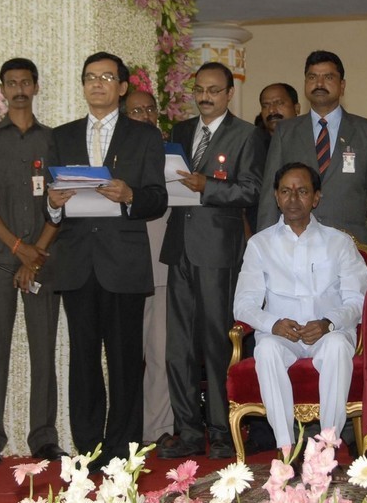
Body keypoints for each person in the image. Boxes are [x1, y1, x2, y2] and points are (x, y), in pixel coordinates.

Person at [45, 52, 167, 466]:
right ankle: (88, 449)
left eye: (107, 77)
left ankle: (123, 449)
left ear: (122, 87)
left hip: (123, 263)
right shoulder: (60, 136)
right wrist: (54, 204)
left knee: (125, 361)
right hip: (77, 263)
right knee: (83, 361)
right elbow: (49, 205)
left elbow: (157, 198)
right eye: (90, 77)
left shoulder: (145, 136)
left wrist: (131, 195)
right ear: (83, 86)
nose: (97, 83)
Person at [159, 62, 265, 459]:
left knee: (216, 344)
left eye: (213, 90)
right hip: (179, 247)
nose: (205, 97)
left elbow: (251, 190)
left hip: (219, 251)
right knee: (179, 345)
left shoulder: (247, 135)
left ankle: (222, 430)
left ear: (228, 93)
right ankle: (187, 431)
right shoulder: (181, 131)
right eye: (200, 89)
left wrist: (208, 187)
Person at [233, 161, 367, 456]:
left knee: (335, 347)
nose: (293, 199)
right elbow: (243, 304)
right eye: (286, 191)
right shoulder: (260, 244)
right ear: (276, 197)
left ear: (316, 198)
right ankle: (287, 449)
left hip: (328, 333)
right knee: (265, 348)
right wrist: (273, 324)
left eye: (302, 191)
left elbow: (357, 300)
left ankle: (327, 447)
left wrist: (328, 322)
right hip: (283, 335)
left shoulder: (340, 243)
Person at [0, 58, 65, 464]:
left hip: (43, 258)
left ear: (37, 86)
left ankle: (43, 438)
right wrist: (16, 248)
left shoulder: (55, 141)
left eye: (26, 81)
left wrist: (35, 253)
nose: (19, 89)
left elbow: (64, 201)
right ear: (2, 89)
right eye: (11, 83)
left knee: (44, 350)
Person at [258, 51, 367, 254]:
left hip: (351, 248)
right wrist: (264, 249)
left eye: (328, 77)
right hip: (293, 246)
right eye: (312, 77)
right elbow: (269, 195)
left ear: (342, 85)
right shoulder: (286, 131)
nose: (319, 84)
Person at [123, 89, 174, 447]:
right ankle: (126, 431)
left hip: (161, 265)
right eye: (135, 110)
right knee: (126, 357)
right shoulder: (116, 153)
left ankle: (157, 430)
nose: (144, 115)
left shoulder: (172, 153)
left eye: (149, 109)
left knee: (160, 354)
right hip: (121, 268)